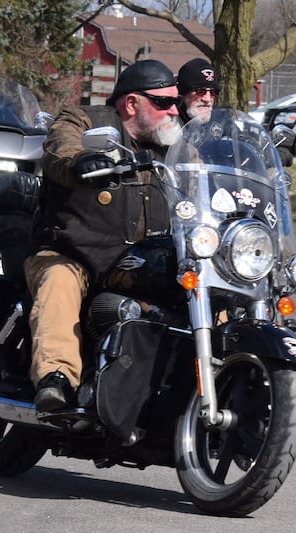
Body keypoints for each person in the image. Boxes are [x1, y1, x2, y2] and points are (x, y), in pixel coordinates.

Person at [25, 59, 182, 416]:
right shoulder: (84, 120)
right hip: (72, 251)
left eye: (175, 102)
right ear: (131, 104)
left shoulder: (175, 145)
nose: (175, 110)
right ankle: (56, 378)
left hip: (138, 265)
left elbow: (211, 168)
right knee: (59, 281)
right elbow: (61, 147)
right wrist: (81, 161)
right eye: (163, 103)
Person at [177, 58, 218, 123]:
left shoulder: (222, 123)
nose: (207, 99)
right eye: (200, 91)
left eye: (212, 92)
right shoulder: (170, 124)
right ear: (183, 93)